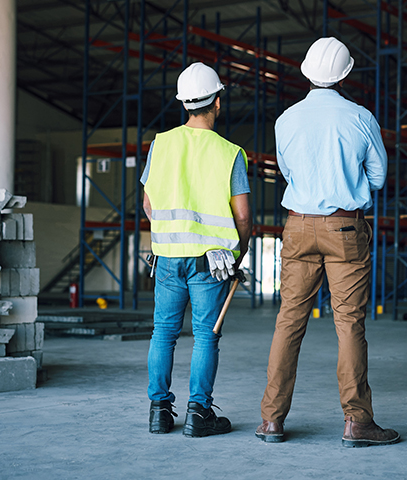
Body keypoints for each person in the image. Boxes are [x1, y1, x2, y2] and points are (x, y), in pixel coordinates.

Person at [255, 37, 398, 447]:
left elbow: (287, 171)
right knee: (349, 323)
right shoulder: (360, 117)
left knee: (288, 321)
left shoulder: (286, 120)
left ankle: (271, 420)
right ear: (345, 74)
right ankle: (357, 423)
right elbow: (377, 177)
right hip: (345, 228)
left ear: (306, 71)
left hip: (298, 226)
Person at [141, 62, 252, 437]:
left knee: (163, 333)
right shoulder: (230, 152)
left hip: (168, 258)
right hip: (211, 262)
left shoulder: (161, 144)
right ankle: (199, 414)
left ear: (184, 104)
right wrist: (237, 255)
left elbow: (148, 204)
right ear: (217, 102)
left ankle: (159, 412)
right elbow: (243, 217)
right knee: (206, 336)